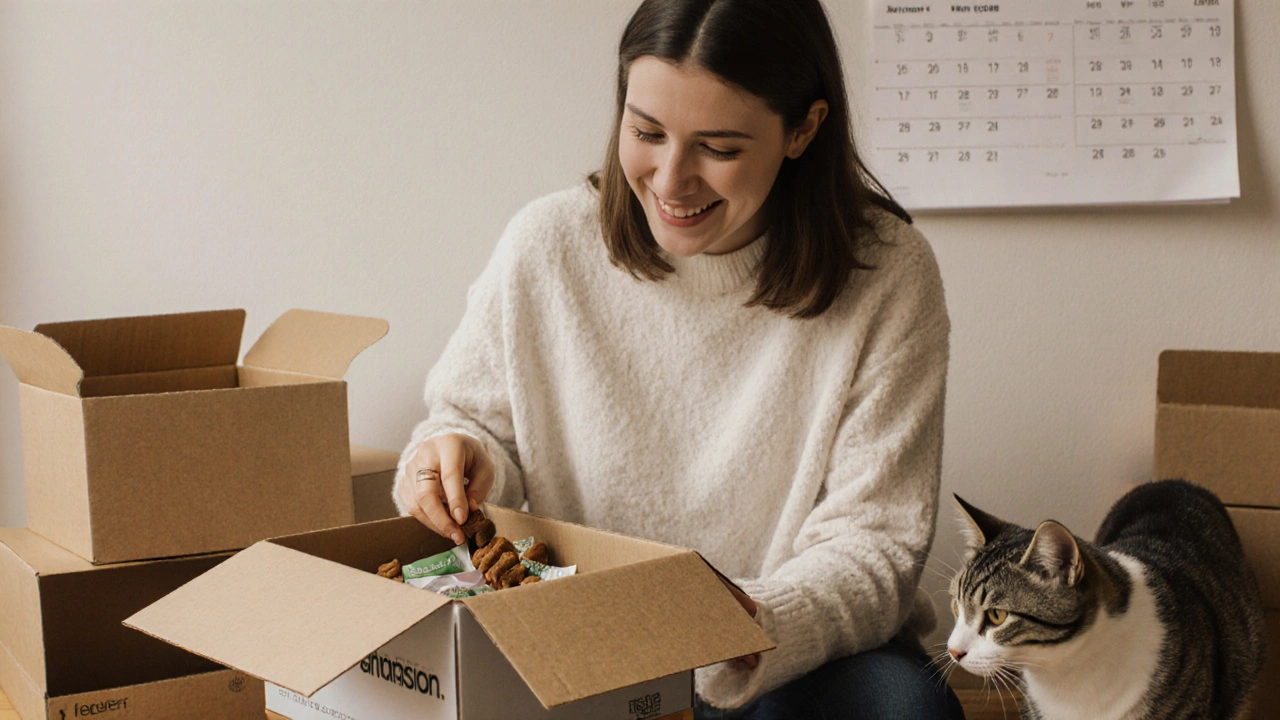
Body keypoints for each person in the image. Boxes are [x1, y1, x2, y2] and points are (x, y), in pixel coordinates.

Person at [393, 0, 963, 717]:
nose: (669, 180)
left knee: (903, 709)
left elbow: (876, 543)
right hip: (586, 647)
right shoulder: (547, 244)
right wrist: (454, 459)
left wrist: (745, 624)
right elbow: (470, 428)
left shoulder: (886, 272)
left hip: (784, 649)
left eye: (718, 148)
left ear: (804, 130)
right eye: (646, 132)